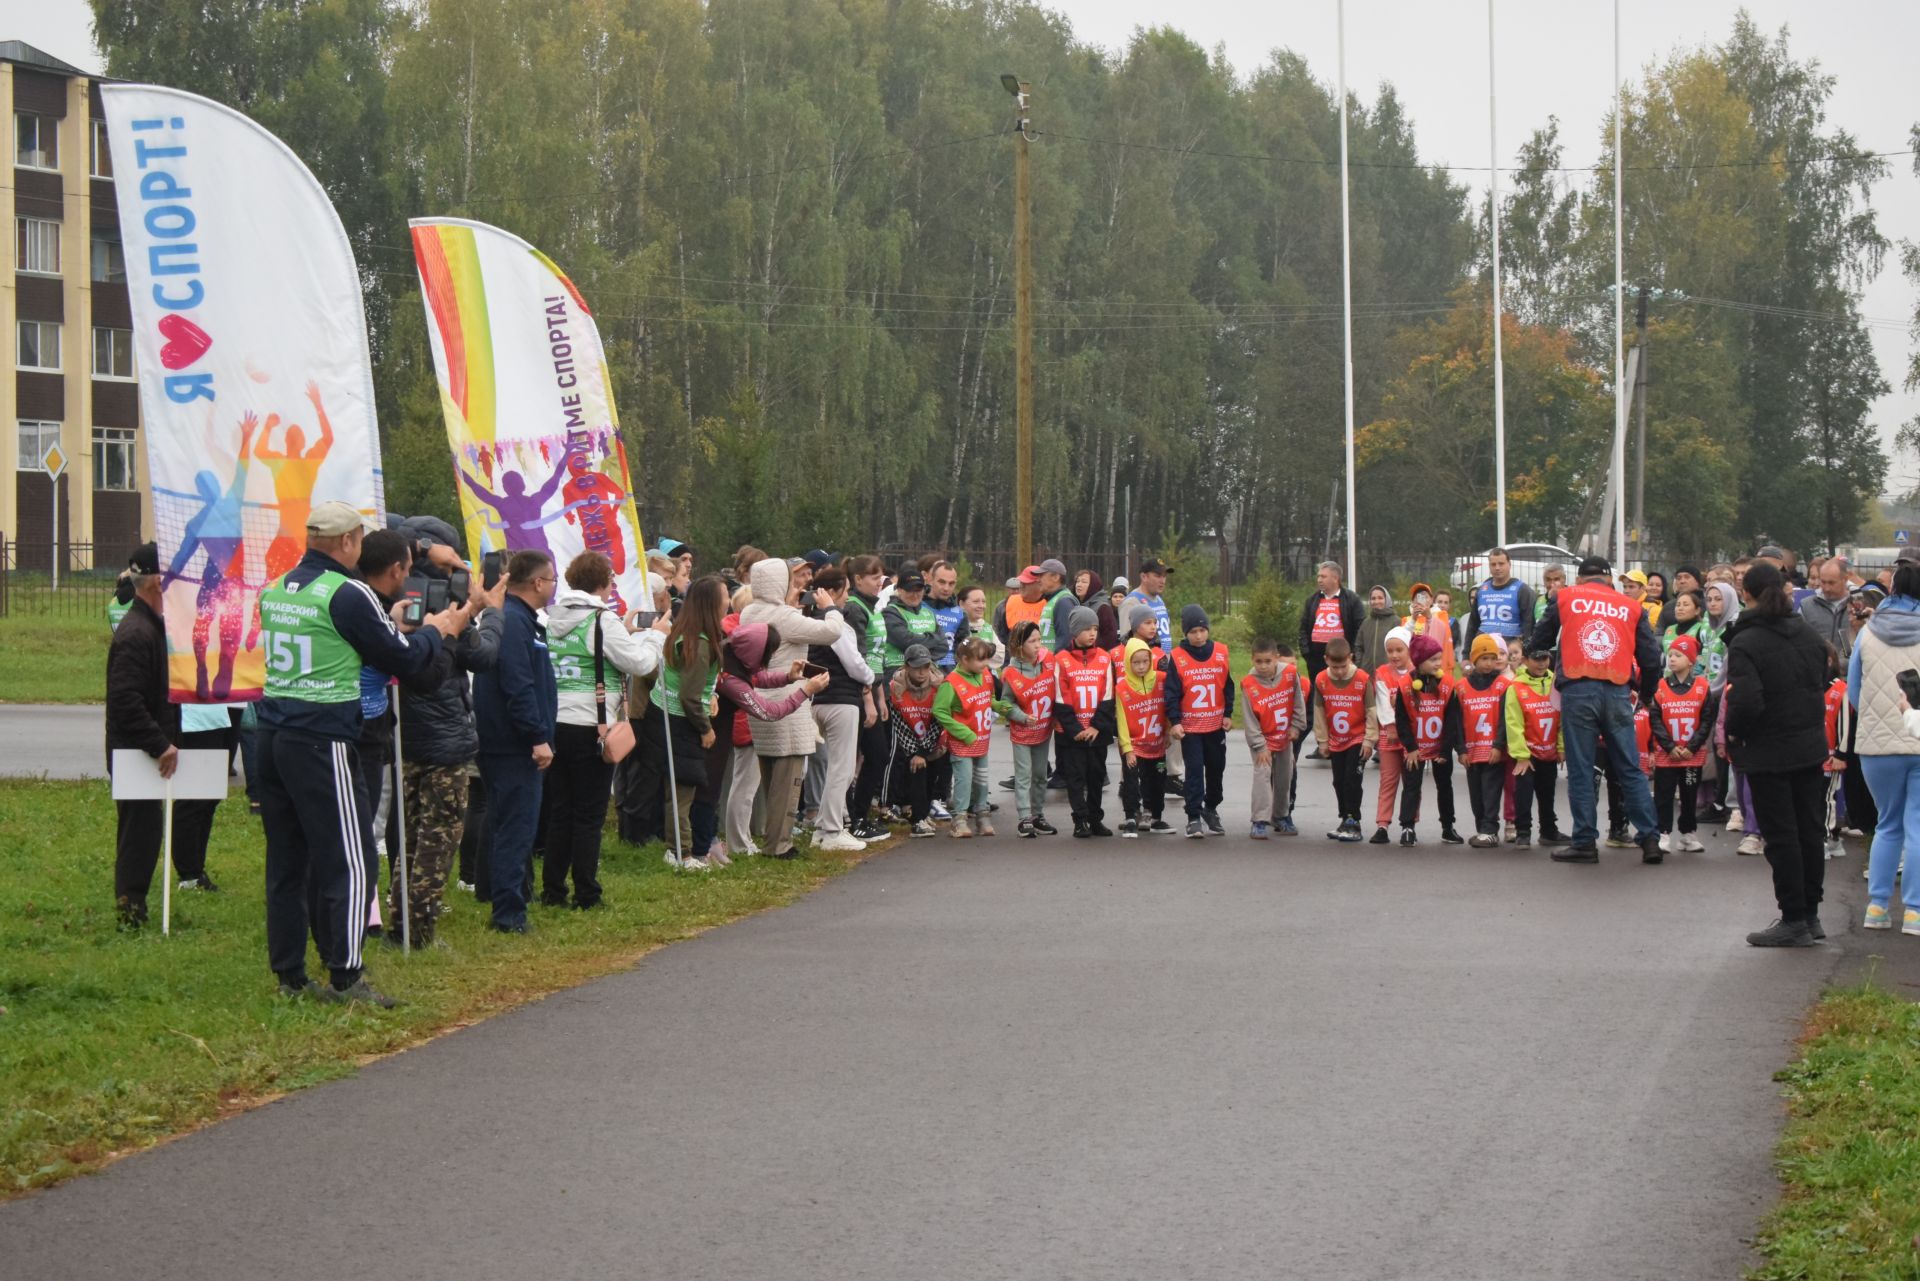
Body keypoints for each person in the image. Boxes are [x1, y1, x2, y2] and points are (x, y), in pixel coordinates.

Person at [257, 501, 466, 1003]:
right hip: (322, 736)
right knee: (351, 860)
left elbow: (336, 638)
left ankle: (289, 974)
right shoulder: (348, 593)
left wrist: (386, 623)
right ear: (349, 541)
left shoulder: (279, 587)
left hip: (272, 731)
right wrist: (440, 632)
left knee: (287, 858)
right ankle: (347, 975)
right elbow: (405, 659)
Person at [541, 551, 666, 904]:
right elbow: (639, 663)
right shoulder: (601, 620)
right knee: (589, 814)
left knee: (560, 810)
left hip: (555, 722)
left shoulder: (550, 618)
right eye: (611, 581)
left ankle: (552, 889)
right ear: (602, 584)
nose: (613, 588)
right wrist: (655, 637)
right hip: (593, 727)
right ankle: (586, 892)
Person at [1725, 561, 1833, 946]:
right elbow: (1822, 681)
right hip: (1807, 744)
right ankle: (1811, 913)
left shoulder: (1746, 640)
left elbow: (1747, 700)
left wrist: (1734, 733)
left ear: (1747, 594)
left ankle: (1793, 918)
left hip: (1768, 749)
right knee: (1808, 831)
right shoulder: (1805, 632)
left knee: (1782, 835)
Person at [1530, 555, 1662, 866]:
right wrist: (1645, 693)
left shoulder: (1565, 597)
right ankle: (1650, 839)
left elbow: (1540, 640)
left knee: (1581, 769)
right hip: (1617, 690)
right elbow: (1651, 657)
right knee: (1630, 768)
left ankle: (1585, 842)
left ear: (1579, 579)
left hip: (1578, 689)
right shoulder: (1630, 606)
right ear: (1610, 580)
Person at [471, 550, 558, 932]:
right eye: (552, 580)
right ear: (537, 583)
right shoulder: (515, 622)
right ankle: (508, 914)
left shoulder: (525, 621)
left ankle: (505, 895)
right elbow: (517, 685)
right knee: (515, 828)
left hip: (511, 742)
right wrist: (536, 736)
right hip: (512, 744)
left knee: (507, 823)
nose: (554, 586)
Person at [740, 555, 844, 848]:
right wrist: (830, 609)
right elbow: (831, 632)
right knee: (788, 783)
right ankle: (779, 844)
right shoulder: (785, 618)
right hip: (788, 703)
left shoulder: (750, 612)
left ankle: (768, 835)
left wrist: (789, 608)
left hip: (759, 701)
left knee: (770, 778)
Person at [105, 542, 183, 928]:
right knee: (139, 834)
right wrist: (160, 744)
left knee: (146, 830)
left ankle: (133, 904)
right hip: (135, 753)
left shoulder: (150, 626)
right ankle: (130, 910)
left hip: (142, 751)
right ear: (156, 581)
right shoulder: (137, 633)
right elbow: (125, 701)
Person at [1845, 553, 1920, 936]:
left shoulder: (1869, 632)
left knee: (1887, 825)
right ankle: (1915, 912)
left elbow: (1853, 689)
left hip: (1877, 746)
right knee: (1918, 826)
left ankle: (1876, 907)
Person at [718, 622, 829, 858]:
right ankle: (709, 848)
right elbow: (769, 712)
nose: (767, 658)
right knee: (730, 790)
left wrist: (789, 677)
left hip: (721, 731)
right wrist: (805, 691)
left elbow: (758, 678)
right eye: (767, 653)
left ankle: (712, 846)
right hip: (714, 733)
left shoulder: (733, 658)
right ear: (755, 651)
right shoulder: (730, 678)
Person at [806, 566, 879, 852]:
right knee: (842, 768)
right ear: (833, 592)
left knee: (832, 767)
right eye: (846, 590)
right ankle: (833, 830)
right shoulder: (837, 624)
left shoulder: (810, 620)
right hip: (842, 700)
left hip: (819, 700)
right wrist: (870, 678)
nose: (848, 596)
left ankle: (823, 828)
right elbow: (854, 662)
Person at [1168, 604, 1234, 839]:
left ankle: (1211, 808)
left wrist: (1228, 713)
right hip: (1192, 728)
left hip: (1215, 726)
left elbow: (1227, 685)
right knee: (1194, 771)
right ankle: (1193, 816)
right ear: (1186, 633)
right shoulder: (1177, 657)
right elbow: (1172, 692)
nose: (1198, 636)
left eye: (1202, 630)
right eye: (1193, 631)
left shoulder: (1220, 652)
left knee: (1216, 769)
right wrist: (1174, 721)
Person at [1052, 606, 1117, 838]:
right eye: (1086, 628)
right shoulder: (1061, 660)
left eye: (1095, 628)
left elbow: (1108, 696)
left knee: (1096, 776)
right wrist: (1076, 730)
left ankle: (1095, 818)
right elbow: (1061, 698)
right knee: (1076, 778)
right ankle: (1080, 820)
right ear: (1074, 631)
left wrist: (1095, 726)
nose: (1092, 633)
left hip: (1097, 732)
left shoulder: (1105, 658)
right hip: (1072, 735)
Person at [934, 637, 1009, 837]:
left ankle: (982, 816)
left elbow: (988, 699)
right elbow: (940, 711)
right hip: (963, 743)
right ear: (964, 659)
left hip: (982, 741)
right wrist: (963, 733)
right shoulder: (951, 683)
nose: (985, 664)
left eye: (986, 659)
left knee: (982, 781)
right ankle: (959, 820)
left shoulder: (984, 675)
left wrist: (1000, 707)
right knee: (964, 780)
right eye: (980, 660)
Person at [1648, 635, 1716, 855]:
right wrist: (1669, 746)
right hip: (1668, 755)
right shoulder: (1660, 687)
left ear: (1691, 661)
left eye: (1678, 655)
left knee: (1689, 793)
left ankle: (1688, 833)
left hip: (1690, 755)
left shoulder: (1702, 687)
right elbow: (1655, 719)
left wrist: (1692, 746)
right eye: (1670, 655)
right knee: (1664, 795)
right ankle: (1663, 833)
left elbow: (1706, 720)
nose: (1672, 659)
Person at [1392, 633, 1461, 845]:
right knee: (1412, 787)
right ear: (1419, 661)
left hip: (1440, 747)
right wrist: (1410, 747)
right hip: (1415, 748)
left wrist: (1445, 749)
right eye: (1433, 659)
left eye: (1440, 658)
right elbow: (1401, 720)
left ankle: (1448, 827)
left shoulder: (1448, 683)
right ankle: (1407, 827)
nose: (1438, 663)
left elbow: (1452, 720)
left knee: (1445, 786)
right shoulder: (1405, 685)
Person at [998, 622, 1060, 838]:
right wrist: (1022, 717)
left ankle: (1037, 814)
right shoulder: (1012, 672)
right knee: (1024, 775)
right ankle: (1024, 817)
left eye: (1039, 640)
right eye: (1031, 641)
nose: (1037, 645)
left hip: (1043, 731)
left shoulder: (1047, 663)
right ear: (1018, 645)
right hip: (1023, 732)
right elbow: (1005, 703)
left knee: (1041, 775)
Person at [1311, 638, 1374, 841]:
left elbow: (1371, 711)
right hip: (1336, 740)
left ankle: (1353, 820)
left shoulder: (1362, 679)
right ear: (1326, 660)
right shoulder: (1321, 679)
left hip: (1357, 739)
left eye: (1343, 666)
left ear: (1351, 659)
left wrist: (1369, 740)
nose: (1339, 671)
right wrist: (1322, 741)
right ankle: (1343, 817)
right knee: (1338, 781)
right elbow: (1319, 711)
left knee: (1351, 780)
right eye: (1334, 666)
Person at [1297, 561, 1363, 756]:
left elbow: (1360, 627)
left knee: (1341, 699)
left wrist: (1353, 655)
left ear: (1336, 578)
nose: (1319, 580)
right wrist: (1306, 652)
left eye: (1323, 576)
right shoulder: (1312, 600)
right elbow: (1303, 627)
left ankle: (1346, 740)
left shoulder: (1351, 600)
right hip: (1316, 659)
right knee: (1320, 701)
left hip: (1342, 660)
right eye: (1318, 576)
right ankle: (1323, 743)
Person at [1502, 645, 1566, 846]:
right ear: (1525, 660)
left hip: (1549, 751)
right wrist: (1521, 755)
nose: (1541, 663)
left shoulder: (1556, 683)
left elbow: (1562, 718)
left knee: (1547, 793)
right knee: (1523, 794)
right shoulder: (1516, 687)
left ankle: (1548, 830)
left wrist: (1561, 747)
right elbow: (1513, 723)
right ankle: (1523, 831)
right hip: (1526, 754)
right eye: (1536, 659)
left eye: (1545, 658)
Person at [1243, 638, 1307, 839]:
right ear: (1252, 659)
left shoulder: (1289, 674)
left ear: (1276, 659)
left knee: (1284, 777)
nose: (1263, 666)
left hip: (1285, 735)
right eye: (1259, 661)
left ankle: (1280, 816)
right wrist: (1259, 745)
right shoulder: (1249, 683)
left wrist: (1297, 726)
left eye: (1268, 661)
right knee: (1262, 777)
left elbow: (1298, 702)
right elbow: (1249, 719)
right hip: (1263, 740)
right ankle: (1259, 820)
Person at [1455, 634, 1511, 848]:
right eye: (1484, 658)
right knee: (1476, 794)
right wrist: (1461, 749)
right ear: (1474, 659)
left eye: (1492, 658)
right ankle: (1482, 828)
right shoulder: (1461, 688)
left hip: (1492, 750)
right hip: (1471, 750)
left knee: (1491, 791)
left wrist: (1498, 745)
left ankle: (1490, 830)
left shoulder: (1502, 685)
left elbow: (1506, 719)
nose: (1489, 663)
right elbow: (1457, 722)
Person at [1116, 636, 1173, 837]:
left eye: (1145, 661)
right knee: (1132, 782)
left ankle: (1154, 816)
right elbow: (1121, 721)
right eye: (1136, 662)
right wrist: (1127, 748)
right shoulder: (1122, 688)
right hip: (1134, 746)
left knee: (1157, 780)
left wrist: (1167, 731)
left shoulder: (1161, 680)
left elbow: (1167, 707)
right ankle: (1131, 817)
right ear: (1128, 663)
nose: (1141, 666)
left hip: (1156, 745)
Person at [888, 645, 946, 838]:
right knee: (917, 770)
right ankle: (918, 819)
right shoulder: (896, 689)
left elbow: (939, 722)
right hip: (910, 739)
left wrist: (924, 751)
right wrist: (916, 753)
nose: (922, 672)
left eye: (926, 666)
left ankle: (925, 811)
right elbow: (900, 724)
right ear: (906, 667)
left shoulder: (940, 686)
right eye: (916, 667)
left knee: (933, 774)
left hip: (933, 738)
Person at [1369, 627, 1415, 843]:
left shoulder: (1417, 672)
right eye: (1390, 651)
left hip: (1412, 739)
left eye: (1399, 650)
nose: (1395, 655)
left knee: (1411, 782)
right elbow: (1382, 702)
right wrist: (1390, 726)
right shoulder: (1382, 673)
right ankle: (1382, 824)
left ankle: (1409, 824)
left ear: (1408, 649)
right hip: (1390, 736)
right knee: (1388, 780)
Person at [1463, 548, 1538, 649]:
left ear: (1509, 564)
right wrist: (1466, 655)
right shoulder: (1482, 590)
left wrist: (1525, 651)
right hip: (1483, 649)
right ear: (1489, 566)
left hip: (1510, 651)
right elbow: (1473, 624)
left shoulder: (1522, 590)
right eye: (1493, 564)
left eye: (1501, 563)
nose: (1497, 568)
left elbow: (1528, 624)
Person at [1799, 557, 1854, 658]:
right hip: (1817, 669)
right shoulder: (1806, 606)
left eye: (1832, 583)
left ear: (1845, 579)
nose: (1827, 588)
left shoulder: (1857, 606)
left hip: (1848, 670)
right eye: (1823, 582)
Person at [1123, 558, 1174, 653]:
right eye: (1158, 576)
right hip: (1147, 663)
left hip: (1164, 661)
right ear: (1144, 577)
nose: (1162, 581)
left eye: (1164, 576)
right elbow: (1126, 641)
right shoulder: (1132, 602)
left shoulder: (1159, 599)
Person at [1354, 585, 1399, 674]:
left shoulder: (1395, 621)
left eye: (1380, 598)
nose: (1376, 601)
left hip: (1388, 675)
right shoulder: (1366, 622)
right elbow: (1358, 646)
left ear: (1387, 599)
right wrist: (1360, 666)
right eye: (1373, 598)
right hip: (1367, 674)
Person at [1074, 568, 1119, 651]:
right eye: (1078, 581)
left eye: (1084, 582)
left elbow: (1110, 638)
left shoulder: (1103, 608)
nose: (1079, 584)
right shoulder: (1076, 605)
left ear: (1093, 585)